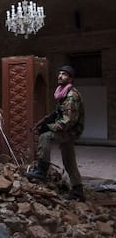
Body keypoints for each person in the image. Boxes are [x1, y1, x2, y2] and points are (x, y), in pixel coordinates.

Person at [25, 65, 85, 201]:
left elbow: (68, 121)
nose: (60, 76)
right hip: (68, 131)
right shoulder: (63, 93)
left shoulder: (71, 96)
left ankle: (42, 169)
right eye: (59, 73)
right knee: (69, 161)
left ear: (70, 78)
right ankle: (78, 191)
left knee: (45, 136)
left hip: (69, 131)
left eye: (64, 74)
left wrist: (50, 126)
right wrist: (47, 120)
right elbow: (59, 113)